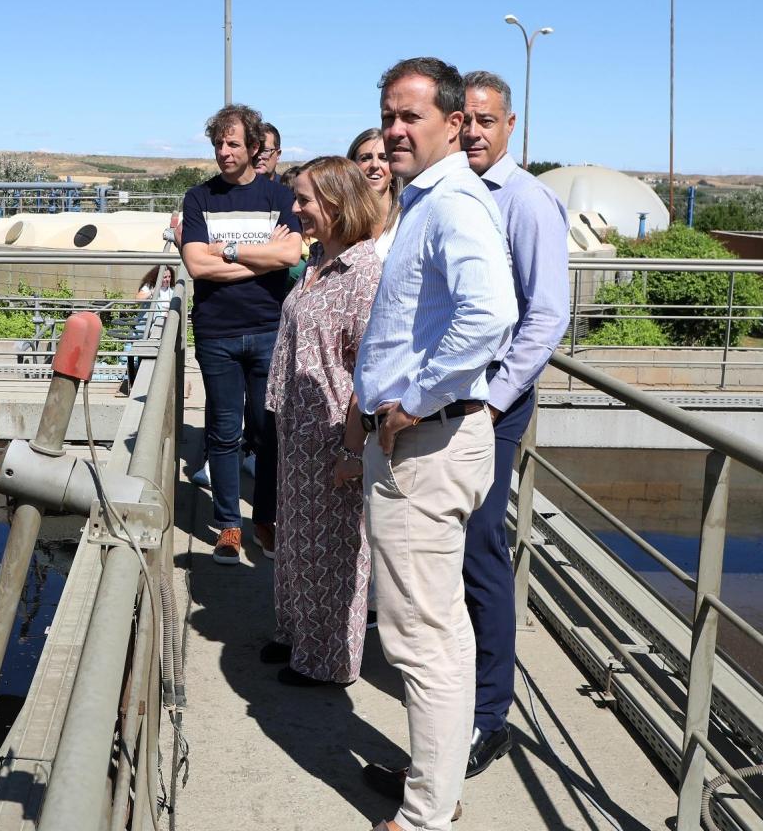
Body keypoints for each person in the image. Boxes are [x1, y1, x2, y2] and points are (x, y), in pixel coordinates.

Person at [353, 58, 516, 831]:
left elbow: (491, 316)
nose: (393, 130)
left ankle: (425, 816)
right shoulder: (428, 200)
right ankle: (434, 785)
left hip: (426, 445)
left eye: (409, 116)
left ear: (453, 125)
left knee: (422, 640)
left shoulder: (453, 205)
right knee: (437, 633)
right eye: (388, 115)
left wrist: (413, 401)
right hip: (429, 440)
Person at [456, 69, 571, 776]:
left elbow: (547, 315)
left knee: (479, 546)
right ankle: (456, 691)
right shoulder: (451, 191)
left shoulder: (525, 201)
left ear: (510, 125)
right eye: (464, 120)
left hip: (490, 405)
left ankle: (489, 715)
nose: (473, 131)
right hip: (450, 398)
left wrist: (494, 401)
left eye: (485, 120)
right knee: (448, 547)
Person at [261, 156, 383, 686]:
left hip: (333, 433)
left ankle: (328, 660)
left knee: (332, 552)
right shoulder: (317, 261)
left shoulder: (364, 274)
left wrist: (353, 451)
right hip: (296, 428)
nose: (295, 208)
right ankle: (297, 634)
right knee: (296, 542)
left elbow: (370, 371)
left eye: (305, 199)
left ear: (336, 203)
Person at [180, 104, 301, 565]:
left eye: (233, 144)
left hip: (269, 330)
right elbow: (196, 265)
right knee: (225, 432)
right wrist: (259, 260)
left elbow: (289, 255)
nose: (224, 152)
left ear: (254, 147)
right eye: (218, 144)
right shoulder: (199, 198)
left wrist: (227, 252)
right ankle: (229, 524)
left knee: (268, 432)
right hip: (217, 334)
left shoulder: (278, 196)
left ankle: (265, 520)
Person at [346, 127, 397, 256]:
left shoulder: (409, 217)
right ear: (352, 167)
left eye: (384, 158)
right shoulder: (341, 221)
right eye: (365, 158)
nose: (374, 165)